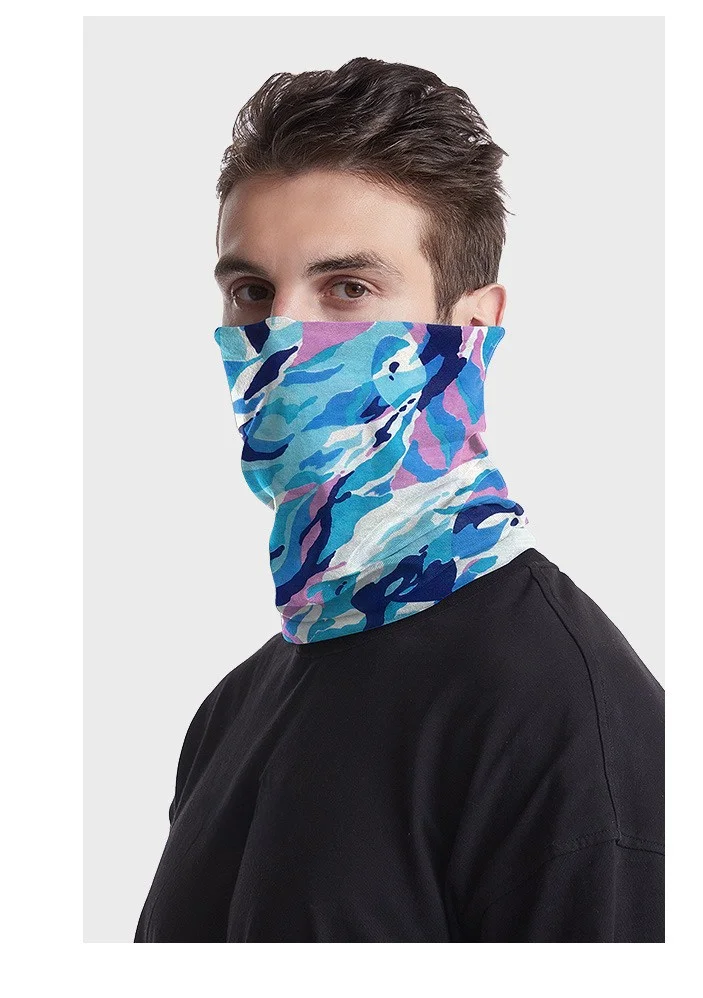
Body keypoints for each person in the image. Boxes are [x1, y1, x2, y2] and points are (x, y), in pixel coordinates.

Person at [134, 56, 664, 943]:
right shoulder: (234, 707)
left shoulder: (564, 715)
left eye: (348, 289)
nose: (281, 336)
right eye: (251, 292)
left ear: (472, 325)